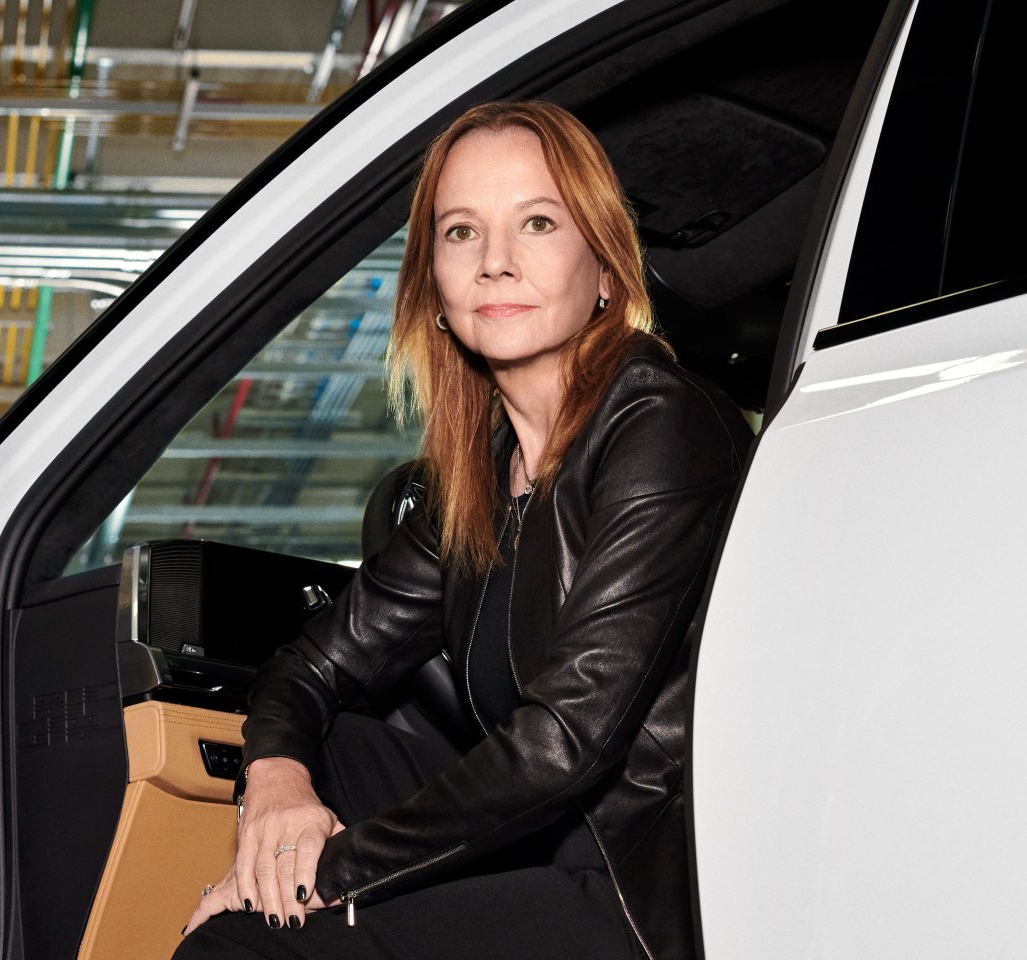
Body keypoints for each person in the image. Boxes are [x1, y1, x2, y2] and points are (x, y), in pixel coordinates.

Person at [176, 100, 751, 960]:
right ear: (435, 293)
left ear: (604, 270)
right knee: (330, 748)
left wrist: (324, 876)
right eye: (460, 233)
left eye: (538, 223)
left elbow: (566, 742)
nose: (495, 263)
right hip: (538, 843)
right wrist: (276, 784)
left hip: (631, 885)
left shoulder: (661, 423)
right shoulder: (481, 474)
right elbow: (310, 666)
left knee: (242, 947)